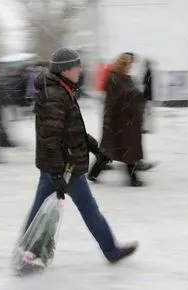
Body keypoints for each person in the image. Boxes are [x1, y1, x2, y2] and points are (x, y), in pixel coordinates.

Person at [23, 48, 138, 264]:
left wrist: (95, 148)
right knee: (87, 208)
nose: (80, 69)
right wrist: (58, 174)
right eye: (77, 65)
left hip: (59, 165)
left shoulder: (61, 89)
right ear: (65, 69)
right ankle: (111, 251)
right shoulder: (54, 96)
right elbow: (51, 140)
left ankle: (26, 250)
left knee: (42, 209)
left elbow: (72, 130)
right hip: (64, 167)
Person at [88, 53, 146, 186]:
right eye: (129, 64)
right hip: (117, 120)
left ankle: (93, 174)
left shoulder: (124, 78)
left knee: (121, 149)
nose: (131, 67)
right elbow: (117, 99)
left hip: (126, 121)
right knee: (120, 149)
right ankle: (132, 179)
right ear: (122, 64)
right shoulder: (114, 78)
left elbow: (129, 95)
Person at [142, 59, 153, 133]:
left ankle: (146, 128)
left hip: (147, 96)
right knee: (147, 113)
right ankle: (147, 128)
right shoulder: (150, 72)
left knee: (146, 113)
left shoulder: (148, 72)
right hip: (149, 96)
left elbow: (144, 82)